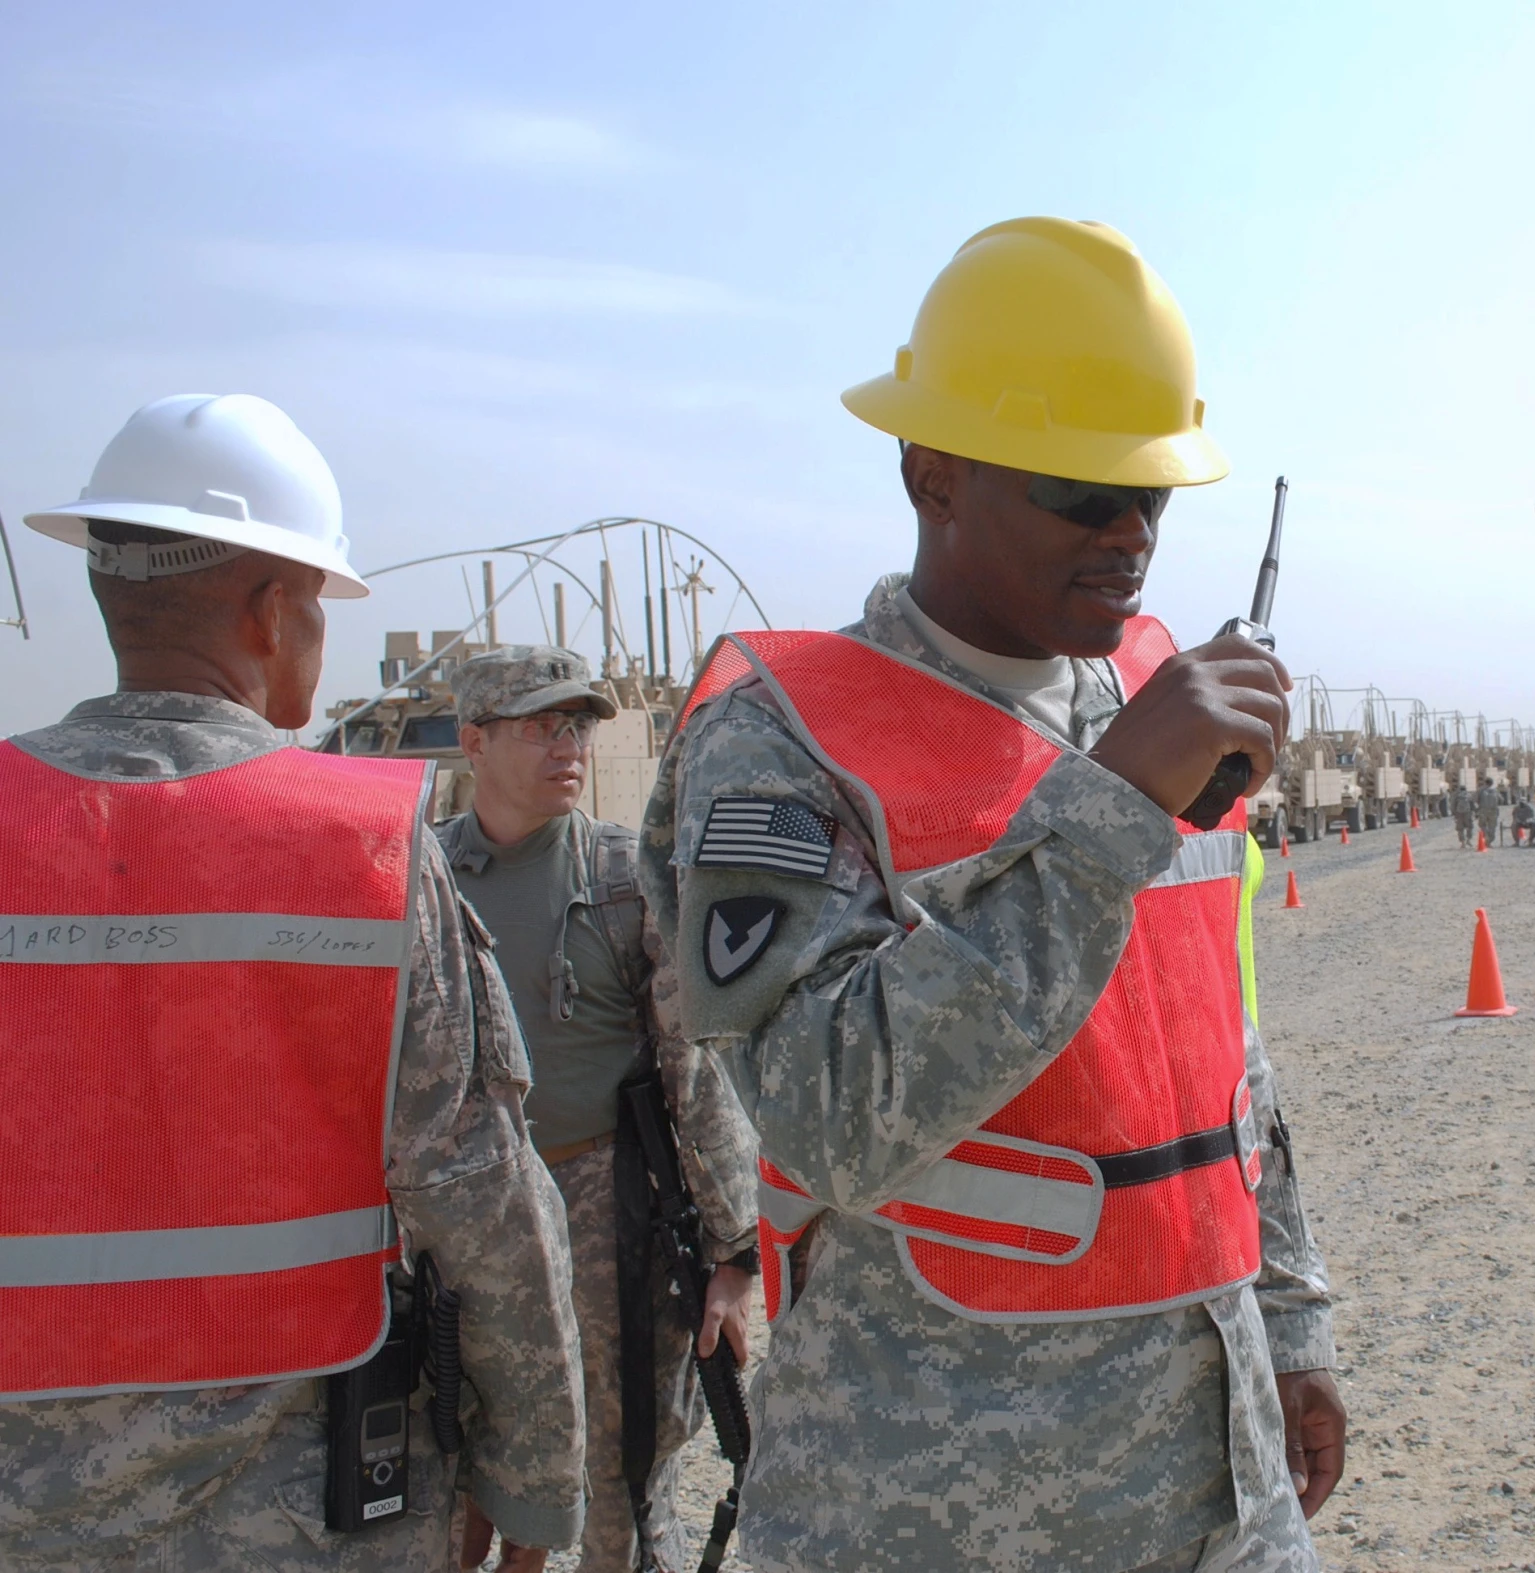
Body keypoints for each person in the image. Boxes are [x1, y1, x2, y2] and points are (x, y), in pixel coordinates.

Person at [639, 218, 1342, 1571]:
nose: (1128, 533)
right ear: (933, 473)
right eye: (1078, 491)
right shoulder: (780, 734)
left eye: (1152, 495)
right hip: (941, 1504)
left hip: (1217, 1475)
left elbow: (1218, 1061)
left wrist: (1287, 1322)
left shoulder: (1151, 694)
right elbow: (823, 1114)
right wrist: (1108, 813)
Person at [0, 395, 585, 1570]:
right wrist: (534, 1491)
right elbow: (485, 1200)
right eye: (318, 599)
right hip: (314, 1514)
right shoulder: (357, 843)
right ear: (273, 612)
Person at [440, 647, 763, 1573]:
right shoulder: (420, 881)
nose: (568, 744)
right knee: (456, 1459)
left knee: (627, 1480)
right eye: (542, 724)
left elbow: (694, 1074)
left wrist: (733, 1253)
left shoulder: (628, 878)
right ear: (474, 742)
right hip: (462, 1223)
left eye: (579, 724)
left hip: (605, 1212)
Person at [1475, 775, 1501, 850]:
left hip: (1483, 810)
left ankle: (1485, 836)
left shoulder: (1480, 790)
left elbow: (1475, 799)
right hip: (1493, 811)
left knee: (1483, 825)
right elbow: (1501, 799)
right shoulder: (1495, 790)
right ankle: (1489, 841)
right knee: (1492, 826)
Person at [1450, 775, 1474, 847]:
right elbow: (1472, 804)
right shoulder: (1469, 795)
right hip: (1467, 813)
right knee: (1469, 827)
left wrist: (1454, 813)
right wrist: (1475, 812)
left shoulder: (1456, 795)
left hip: (1459, 813)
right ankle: (1468, 840)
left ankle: (1462, 842)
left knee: (1460, 828)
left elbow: (1452, 805)